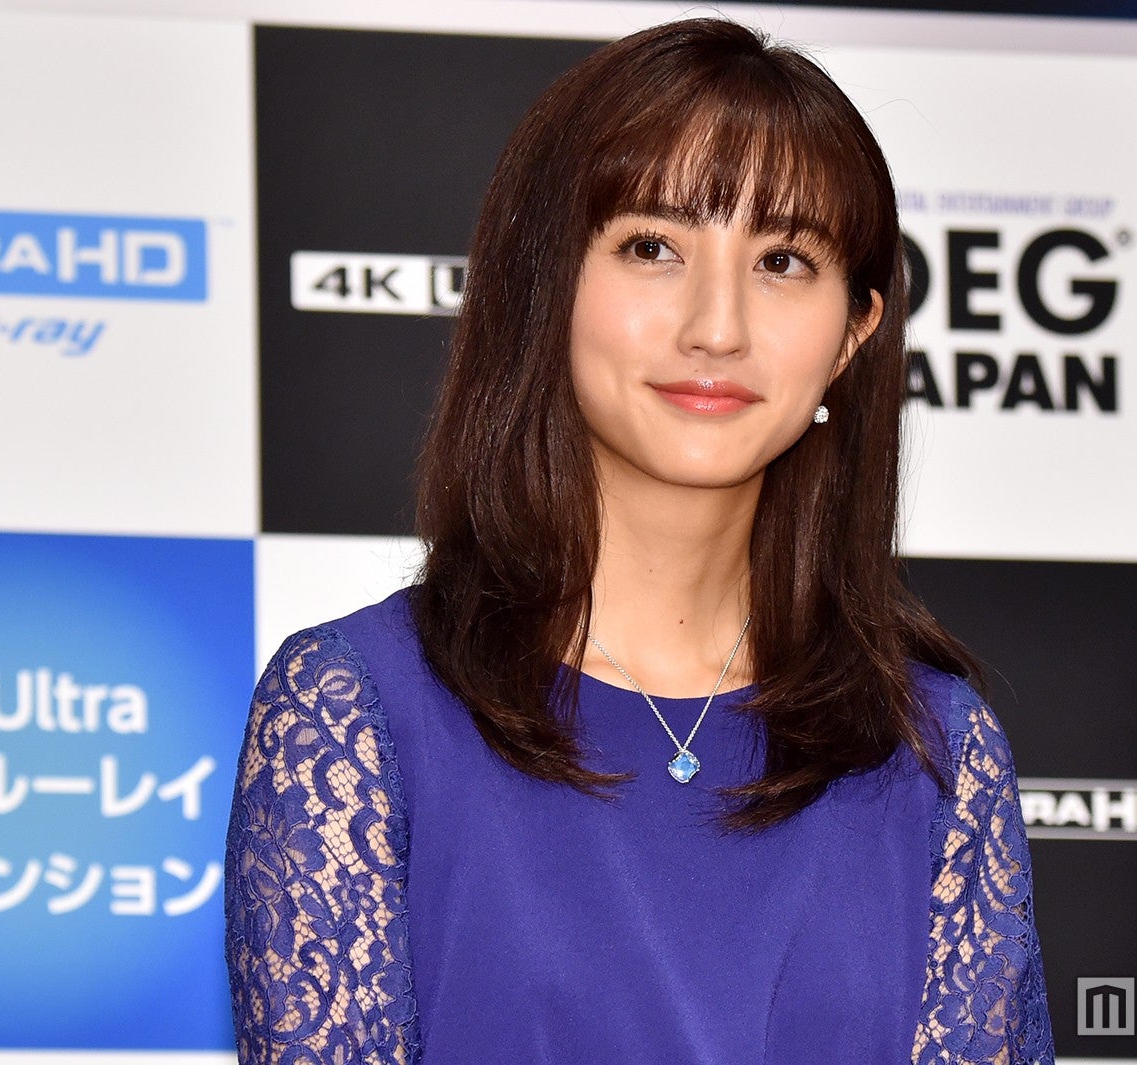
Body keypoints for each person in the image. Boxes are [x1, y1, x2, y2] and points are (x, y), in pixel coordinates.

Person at [225, 17, 1053, 1065]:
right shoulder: (356, 711)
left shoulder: (935, 751)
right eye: (653, 247)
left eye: (783, 260)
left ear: (853, 334)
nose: (717, 326)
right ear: (546, 284)